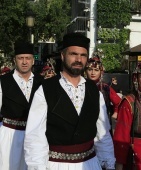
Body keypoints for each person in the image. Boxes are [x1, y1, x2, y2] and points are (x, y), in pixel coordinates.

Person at [24, 32, 115, 170]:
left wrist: (108, 164)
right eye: (73, 54)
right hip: (57, 165)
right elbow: (35, 138)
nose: (78, 59)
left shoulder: (95, 91)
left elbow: (103, 134)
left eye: (83, 55)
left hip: (90, 164)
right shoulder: (45, 90)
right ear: (62, 56)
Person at [0, 42, 43, 170]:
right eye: (20, 58)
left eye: (28, 58)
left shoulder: (43, 83)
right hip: (9, 136)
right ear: (15, 60)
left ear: (33, 60)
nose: (24, 62)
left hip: (36, 137)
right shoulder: (3, 82)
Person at [85, 55, 121, 135]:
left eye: (96, 70)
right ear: (86, 71)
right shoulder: (81, 86)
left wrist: (115, 112)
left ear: (101, 72)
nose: (93, 73)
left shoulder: (105, 88)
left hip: (103, 126)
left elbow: (119, 102)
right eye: (90, 69)